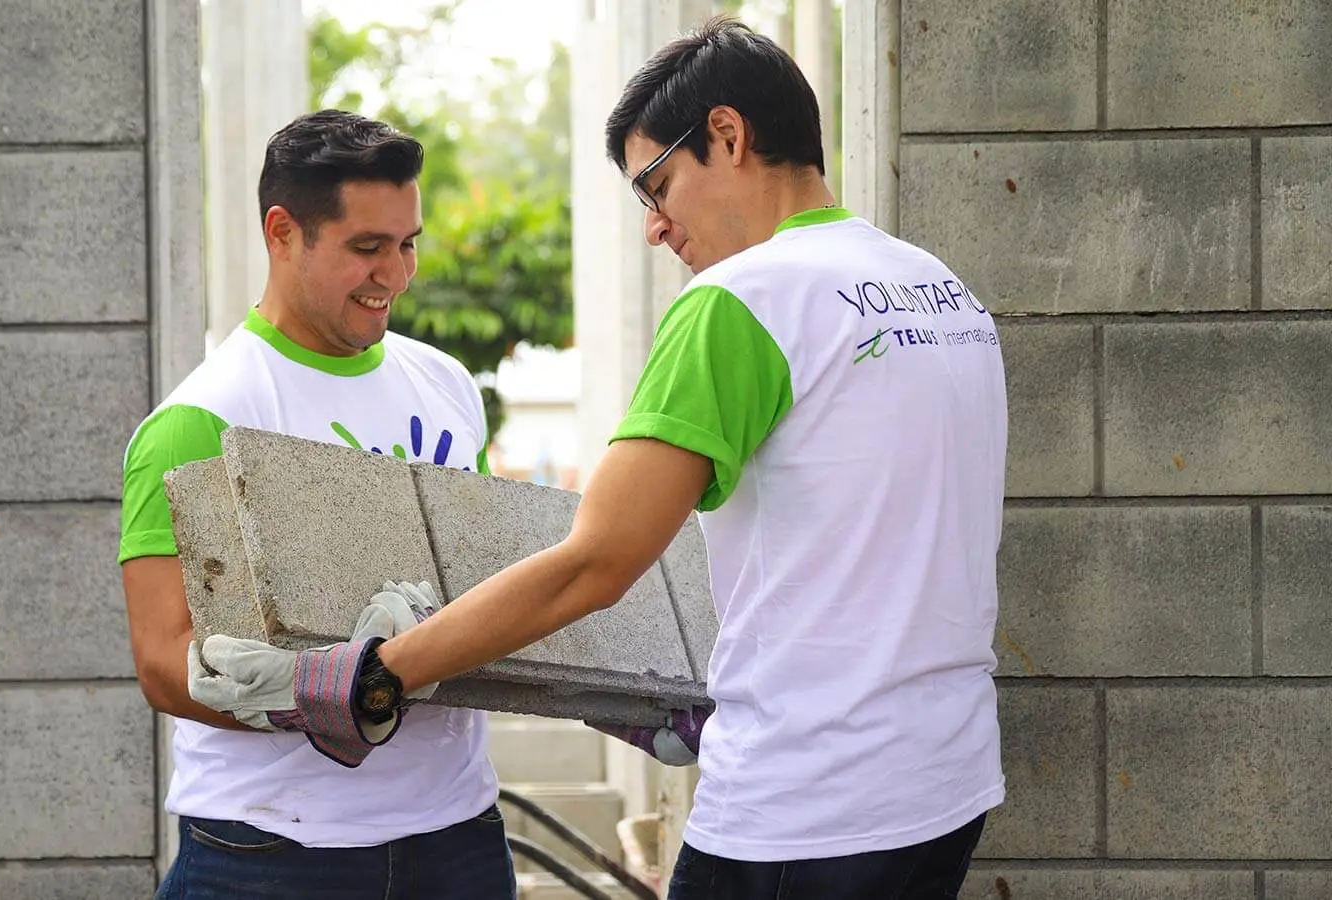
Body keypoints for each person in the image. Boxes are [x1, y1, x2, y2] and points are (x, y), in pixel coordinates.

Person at [190, 16, 1009, 900]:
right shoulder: (936, 289)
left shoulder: (742, 301)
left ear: (727, 136)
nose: (656, 228)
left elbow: (598, 560)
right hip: (945, 782)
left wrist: (378, 675)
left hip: (806, 801)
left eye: (656, 186)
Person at [118, 109, 515, 900]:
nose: (395, 276)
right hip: (270, 853)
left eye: (407, 245)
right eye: (366, 248)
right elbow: (166, 663)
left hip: (457, 841)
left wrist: (611, 687)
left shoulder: (446, 387)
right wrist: (315, 695)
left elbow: (484, 583)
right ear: (282, 232)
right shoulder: (203, 419)